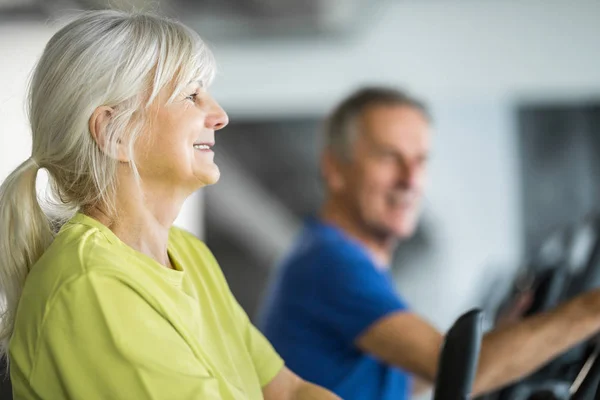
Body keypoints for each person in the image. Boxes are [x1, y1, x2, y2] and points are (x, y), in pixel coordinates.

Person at [0, 10, 339, 400]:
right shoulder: (92, 287)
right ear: (115, 133)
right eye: (191, 96)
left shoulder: (190, 255)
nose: (220, 116)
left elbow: (289, 391)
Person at [257, 86, 600, 399]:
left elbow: (403, 380)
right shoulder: (330, 263)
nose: (410, 179)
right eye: (389, 157)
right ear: (334, 167)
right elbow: (460, 372)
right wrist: (591, 309)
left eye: (420, 160)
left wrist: (504, 338)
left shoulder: (333, 258)